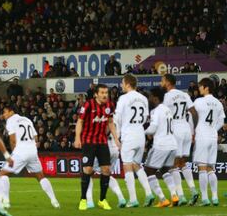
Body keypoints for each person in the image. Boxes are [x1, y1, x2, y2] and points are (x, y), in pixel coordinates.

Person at [0, 105, 60, 209]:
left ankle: (6, 201)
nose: (3, 115)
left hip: (20, 151)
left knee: (2, 174)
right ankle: (54, 201)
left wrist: (14, 154)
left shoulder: (10, 121)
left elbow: (13, 140)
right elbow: (35, 137)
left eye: (5, 112)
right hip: (32, 151)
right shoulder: (27, 119)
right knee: (40, 176)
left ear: (11, 112)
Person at [74, 84, 120, 211]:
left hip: (102, 142)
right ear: (96, 94)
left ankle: (102, 200)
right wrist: (77, 137)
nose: (105, 95)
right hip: (89, 142)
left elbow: (110, 122)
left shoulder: (110, 105)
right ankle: (83, 199)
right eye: (102, 92)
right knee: (88, 169)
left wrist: (116, 139)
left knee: (106, 170)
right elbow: (80, 121)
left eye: (106, 92)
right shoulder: (88, 105)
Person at [114, 74, 154, 207]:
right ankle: (149, 194)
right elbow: (145, 118)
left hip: (129, 135)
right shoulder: (143, 98)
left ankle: (133, 199)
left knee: (127, 166)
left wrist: (116, 136)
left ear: (127, 84)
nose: (121, 85)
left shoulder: (123, 98)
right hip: (140, 135)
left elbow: (117, 118)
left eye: (122, 83)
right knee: (137, 165)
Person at [161, 74, 199, 206]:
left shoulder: (167, 96)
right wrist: (194, 130)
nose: (161, 82)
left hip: (175, 129)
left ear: (167, 82)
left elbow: (165, 116)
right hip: (186, 129)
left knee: (173, 164)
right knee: (182, 162)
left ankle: (181, 196)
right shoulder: (184, 94)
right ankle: (193, 190)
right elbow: (194, 112)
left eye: (162, 80)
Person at [193, 78, 225, 206]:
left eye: (200, 86)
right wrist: (213, 130)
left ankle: (205, 198)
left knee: (202, 168)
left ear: (206, 87)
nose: (199, 88)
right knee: (211, 168)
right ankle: (215, 197)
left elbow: (192, 117)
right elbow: (221, 121)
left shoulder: (199, 101)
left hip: (202, 136)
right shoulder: (218, 103)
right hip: (212, 137)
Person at [144, 87, 178, 208]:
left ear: (155, 98)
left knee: (148, 171)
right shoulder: (167, 110)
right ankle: (174, 195)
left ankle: (163, 199)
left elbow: (153, 128)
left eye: (150, 96)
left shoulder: (157, 111)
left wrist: (142, 131)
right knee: (164, 170)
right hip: (172, 144)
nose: (149, 99)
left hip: (161, 145)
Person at [86, 132, 126, 208]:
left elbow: (106, 131)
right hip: (115, 149)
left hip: (104, 148)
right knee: (106, 175)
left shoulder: (107, 121)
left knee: (87, 173)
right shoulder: (118, 120)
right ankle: (121, 198)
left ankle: (90, 201)